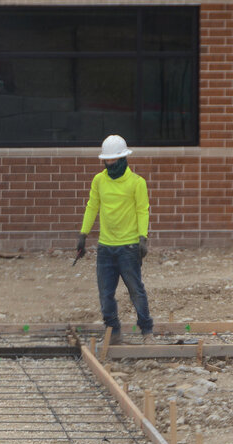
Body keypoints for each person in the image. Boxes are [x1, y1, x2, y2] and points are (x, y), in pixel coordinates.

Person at [76, 135, 153, 344]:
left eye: (113, 160)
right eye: (107, 160)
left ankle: (146, 330)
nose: (109, 164)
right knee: (105, 294)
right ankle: (113, 331)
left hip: (128, 247)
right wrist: (83, 234)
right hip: (106, 248)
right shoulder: (99, 181)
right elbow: (92, 206)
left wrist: (142, 238)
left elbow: (142, 210)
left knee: (136, 290)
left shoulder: (137, 183)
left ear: (122, 159)